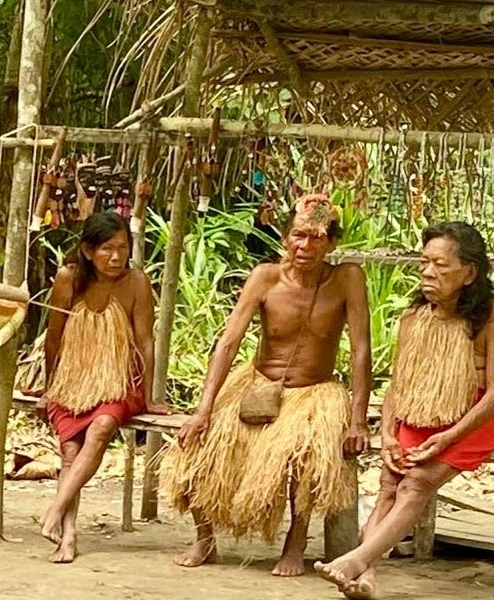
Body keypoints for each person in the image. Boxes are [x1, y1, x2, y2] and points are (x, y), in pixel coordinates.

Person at [165, 190, 370, 577]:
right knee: (198, 448)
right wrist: (203, 410)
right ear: (284, 238)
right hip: (258, 384)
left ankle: (295, 541)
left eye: (316, 237)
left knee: (307, 456)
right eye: (298, 235)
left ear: (332, 242)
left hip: (315, 393)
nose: (305, 245)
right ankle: (205, 538)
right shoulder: (265, 277)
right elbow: (228, 343)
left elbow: (361, 350)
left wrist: (357, 420)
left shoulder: (347, 279)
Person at [318, 219, 494, 600]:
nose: (427, 271)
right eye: (424, 262)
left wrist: (449, 436)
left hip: (474, 422)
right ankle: (365, 577)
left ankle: (357, 560)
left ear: (469, 272)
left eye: (440, 265)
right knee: (390, 484)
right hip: (418, 417)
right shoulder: (414, 316)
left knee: (417, 483)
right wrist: (388, 432)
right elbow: (399, 383)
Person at [33, 209, 158, 564]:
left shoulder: (136, 282)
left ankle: (54, 510)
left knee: (102, 426)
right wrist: (49, 386)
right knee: (70, 450)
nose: (116, 256)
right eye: (107, 248)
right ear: (88, 251)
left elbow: (145, 341)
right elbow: (53, 338)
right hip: (73, 383)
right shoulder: (68, 279)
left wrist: (148, 395)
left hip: (119, 384)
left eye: (123, 247)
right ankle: (68, 537)